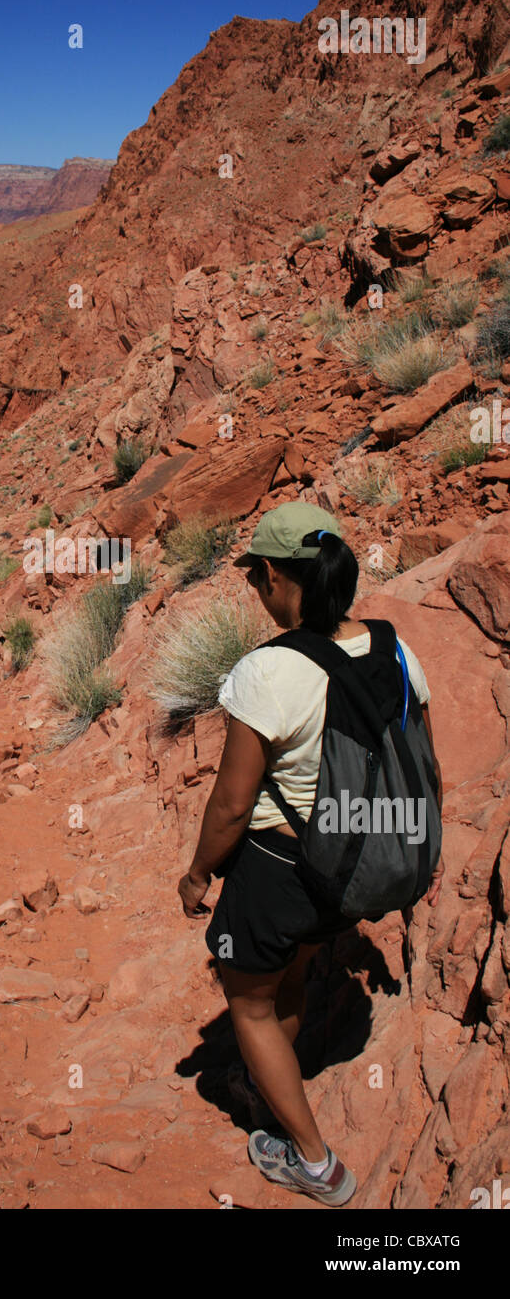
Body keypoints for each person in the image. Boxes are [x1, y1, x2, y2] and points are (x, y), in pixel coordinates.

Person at [177, 501, 443, 1207]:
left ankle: (316, 1163)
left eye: (253, 579)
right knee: (288, 976)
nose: (254, 593)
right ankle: (278, 1089)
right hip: (352, 865)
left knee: (250, 1004)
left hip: (281, 867)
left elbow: (232, 804)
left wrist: (199, 873)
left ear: (274, 576)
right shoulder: (395, 646)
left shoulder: (269, 671)